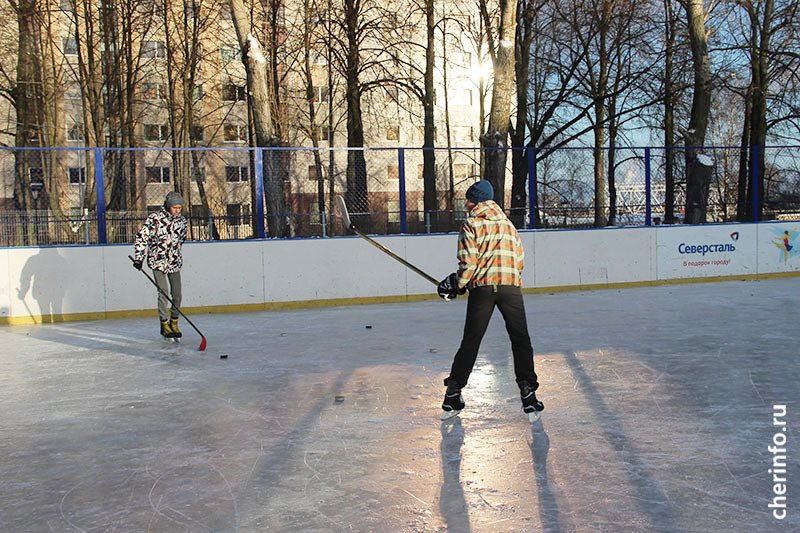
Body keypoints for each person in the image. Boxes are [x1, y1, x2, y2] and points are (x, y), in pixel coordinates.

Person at [437, 180, 543, 421]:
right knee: (520, 340)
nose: (465, 203)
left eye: (468, 199)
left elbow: (468, 264)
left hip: (483, 289)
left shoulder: (471, 224)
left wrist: (456, 284)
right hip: (510, 287)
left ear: (475, 200)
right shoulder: (508, 225)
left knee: (471, 341)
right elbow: (519, 261)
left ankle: (453, 393)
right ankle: (528, 394)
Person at [132, 191, 188, 339]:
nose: (177, 211)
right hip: (157, 261)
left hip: (174, 262)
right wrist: (139, 258)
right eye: (174, 208)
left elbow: (181, 239)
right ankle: (164, 324)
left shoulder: (182, 221)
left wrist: (174, 253)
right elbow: (142, 238)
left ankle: (174, 321)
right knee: (163, 293)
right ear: (168, 206)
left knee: (177, 294)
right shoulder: (155, 219)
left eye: (179, 208)